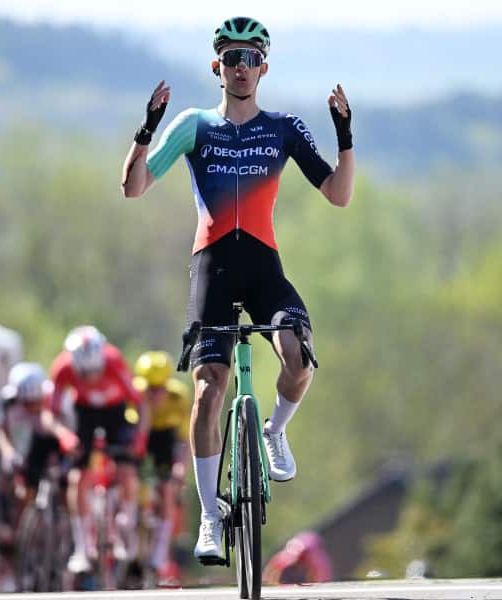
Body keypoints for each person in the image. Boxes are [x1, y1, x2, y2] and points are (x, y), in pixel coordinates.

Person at [120, 16, 355, 563]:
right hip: (213, 266)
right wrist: (147, 128)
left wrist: (344, 137)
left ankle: (273, 430)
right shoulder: (194, 124)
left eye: (251, 57)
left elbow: (338, 196)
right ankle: (209, 515)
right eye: (231, 57)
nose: (241, 66)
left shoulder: (283, 127)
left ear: (264, 67)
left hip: (263, 266)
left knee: (297, 355)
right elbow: (133, 188)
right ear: (217, 66)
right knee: (207, 388)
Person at [49, 326, 150, 573]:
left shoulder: (114, 361)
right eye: (84, 374)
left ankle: (126, 519)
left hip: (115, 412)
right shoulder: (62, 368)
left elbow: (142, 405)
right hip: (84, 413)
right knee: (78, 478)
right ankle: (83, 548)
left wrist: (140, 438)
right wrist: (64, 436)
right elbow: (50, 413)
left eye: (95, 372)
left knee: (126, 469)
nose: (91, 379)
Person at [132, 350, 191, 573]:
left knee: (167, 489)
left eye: (159, 389)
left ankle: (160, 549)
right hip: (142, 434)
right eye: (150, 389)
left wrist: (180, 467)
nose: (154, 394)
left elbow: (186, 439)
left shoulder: (179, 396)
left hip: (166, 437)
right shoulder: (135, 393)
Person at [0, 362, 78, 512]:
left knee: (67, 483)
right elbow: (2, 431)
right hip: (34, 442)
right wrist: (8, 451)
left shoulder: (56, 397)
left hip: (58, 440)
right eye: (27, 404)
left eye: (37, 402)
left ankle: (70, 524)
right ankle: (26, 525)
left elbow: (55, 424)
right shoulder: (9, 403)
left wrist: (66, 438)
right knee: (24, 488)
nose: (33, 408)